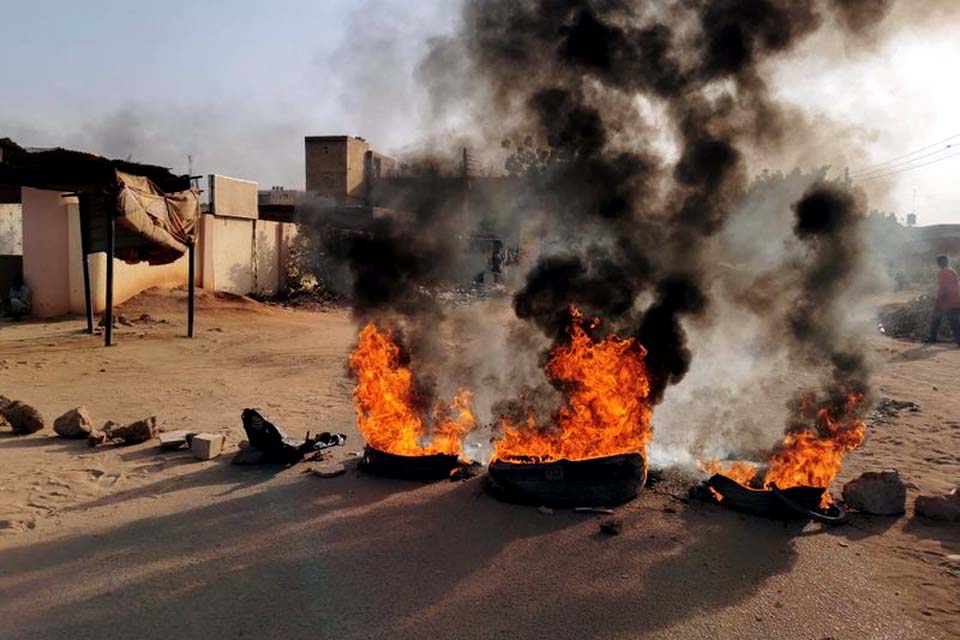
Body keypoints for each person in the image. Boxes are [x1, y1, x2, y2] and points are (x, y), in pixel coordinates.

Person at [925, 255, 960, 345]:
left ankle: (932, 338)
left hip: (946, 302)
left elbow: (944, 289)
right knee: (953, 322)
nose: (939, 264)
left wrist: (938, 300)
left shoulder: (943, 272)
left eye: (939, 262)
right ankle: (933, 338)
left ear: (940, 263)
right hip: (954, 301)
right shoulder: (951, 271)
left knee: (937, 319)